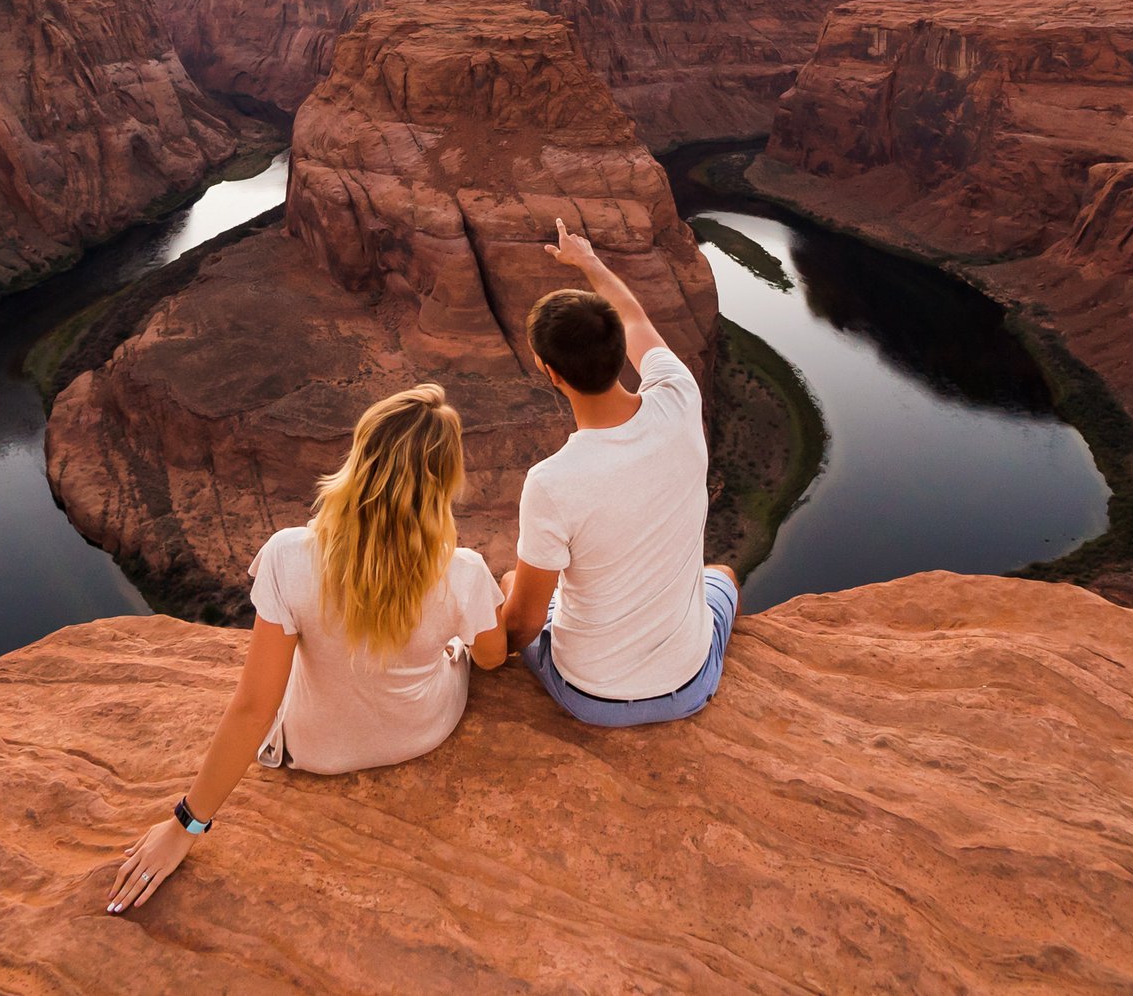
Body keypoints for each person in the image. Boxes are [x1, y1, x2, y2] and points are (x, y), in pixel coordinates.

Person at [106, 384, 506, 913]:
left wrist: (187, 824)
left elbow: (254, 708)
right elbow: (491, 658)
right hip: (421, 732)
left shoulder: (288, 556)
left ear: (359, 458)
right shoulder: (465, 573)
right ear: (446, 482)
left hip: (313, 752)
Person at [495, 219, 739, 727]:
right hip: (693, 682)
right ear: (619, 351)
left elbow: (520, 626)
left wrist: (480, 653)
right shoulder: (678, 392)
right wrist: (588, 262)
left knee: (511, 579)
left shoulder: (551, 482)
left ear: (550, 371)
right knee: (723, 575)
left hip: (592, 698)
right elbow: (634, 316)